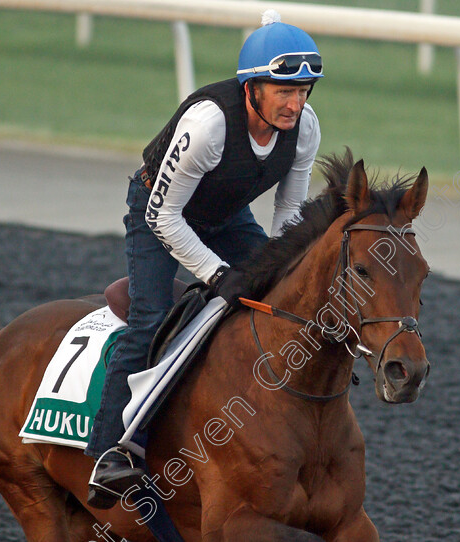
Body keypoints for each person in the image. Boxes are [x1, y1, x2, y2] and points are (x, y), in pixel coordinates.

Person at [85, 10, 324, 508]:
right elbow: (164, 215)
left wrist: (275, 270)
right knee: (151, 317)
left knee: (276, 297)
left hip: (227, 217)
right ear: (251, 89)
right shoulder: (208, 125)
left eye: (303, 91)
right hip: (158, 210)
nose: (295, 104)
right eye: (284, 91)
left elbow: (289, 212)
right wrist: (219, 275)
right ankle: (111, 453)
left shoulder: (304, 130)